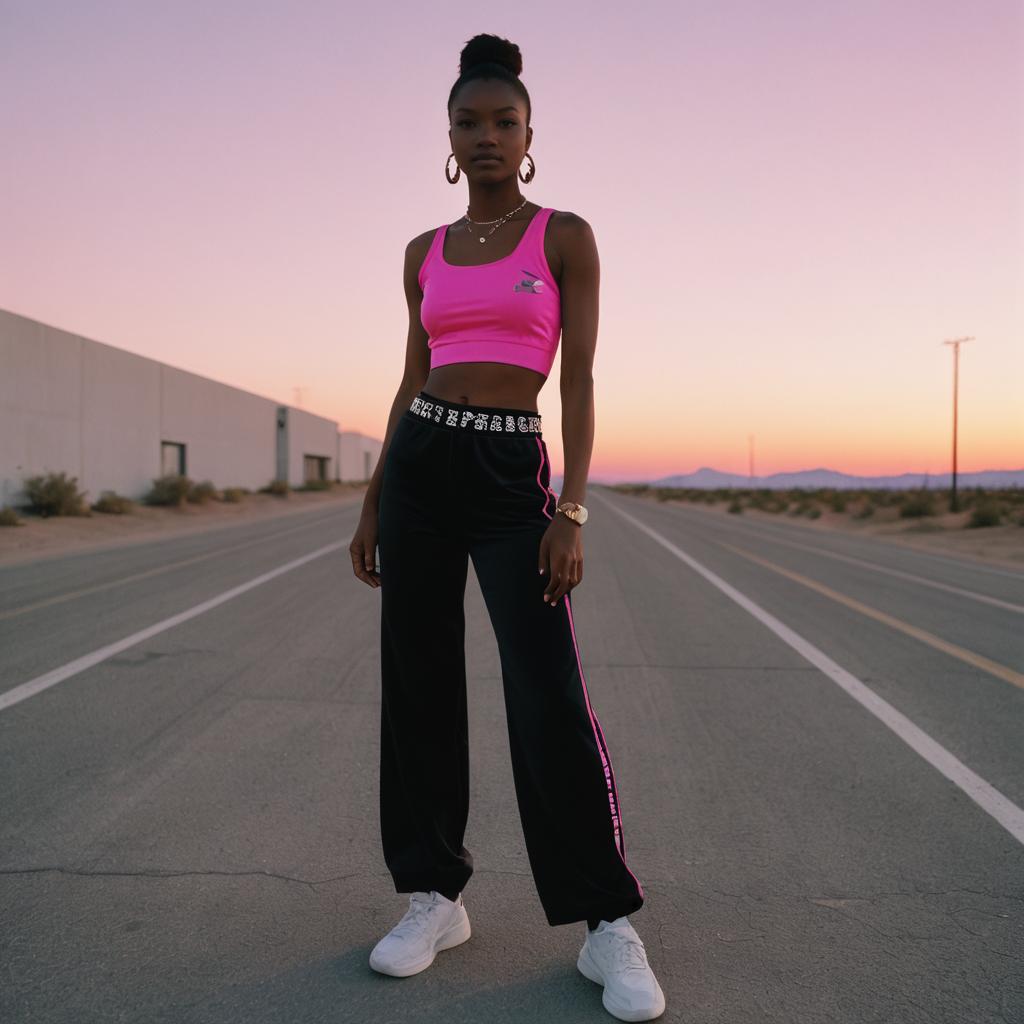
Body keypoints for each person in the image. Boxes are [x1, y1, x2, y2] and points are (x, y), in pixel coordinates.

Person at [348, 32, 666, 1023]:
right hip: (420, 467)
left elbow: (578, 380)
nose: (485, 136)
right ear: (446, 137)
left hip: (506, 471)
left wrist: (571, 507)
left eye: (503, 122)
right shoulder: (422, 253)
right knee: (420, 682)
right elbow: (410, 380)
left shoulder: (562, 236)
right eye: (467, 122)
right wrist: (371, 496)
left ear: (529, 135)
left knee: (547, 694)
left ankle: (605, 921)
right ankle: (432, 896)